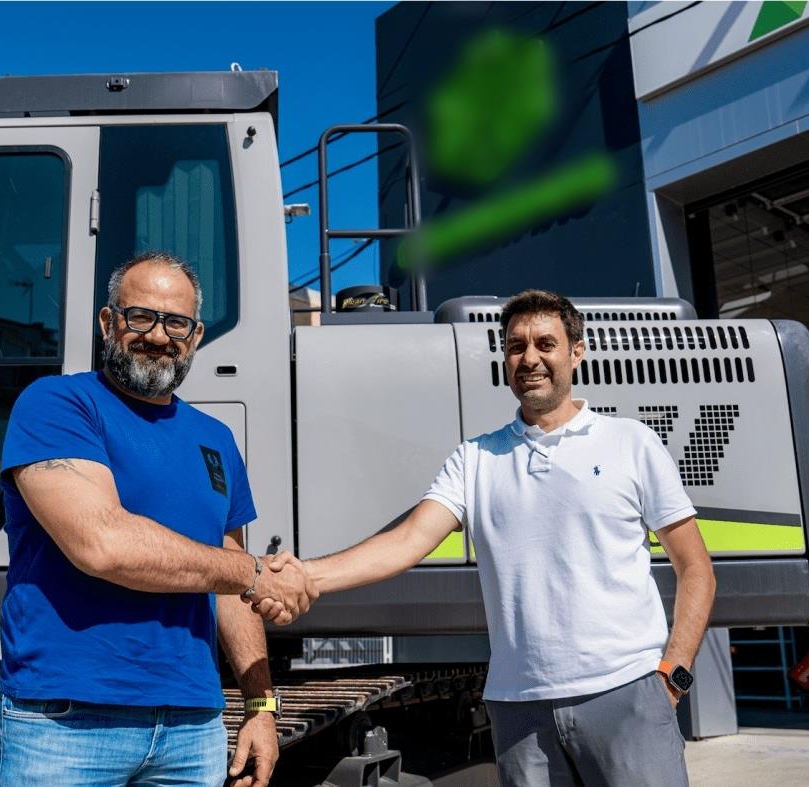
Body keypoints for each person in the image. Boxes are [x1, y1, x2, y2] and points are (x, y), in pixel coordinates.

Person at [264, 289, 716, 786]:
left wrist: (674, 675)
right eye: (516, 346)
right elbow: (407, 541)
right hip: (520, 710)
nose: (530, 358)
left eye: (546, 344)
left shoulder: (630, 442)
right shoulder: (476, 458)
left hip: (626, 692)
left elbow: (695, 568)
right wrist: (306, 575)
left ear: (577, 352)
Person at [0, 251, 316, 787]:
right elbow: (103, 544)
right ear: (108, 322)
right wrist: (257, 574)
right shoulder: (58, 405)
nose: (159, 336)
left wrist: (260, 706)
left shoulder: (216, 439)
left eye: (177, 323)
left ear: (196, 335)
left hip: (193, 727)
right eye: (140, 317)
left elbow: (229, 580)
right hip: (65, 721)